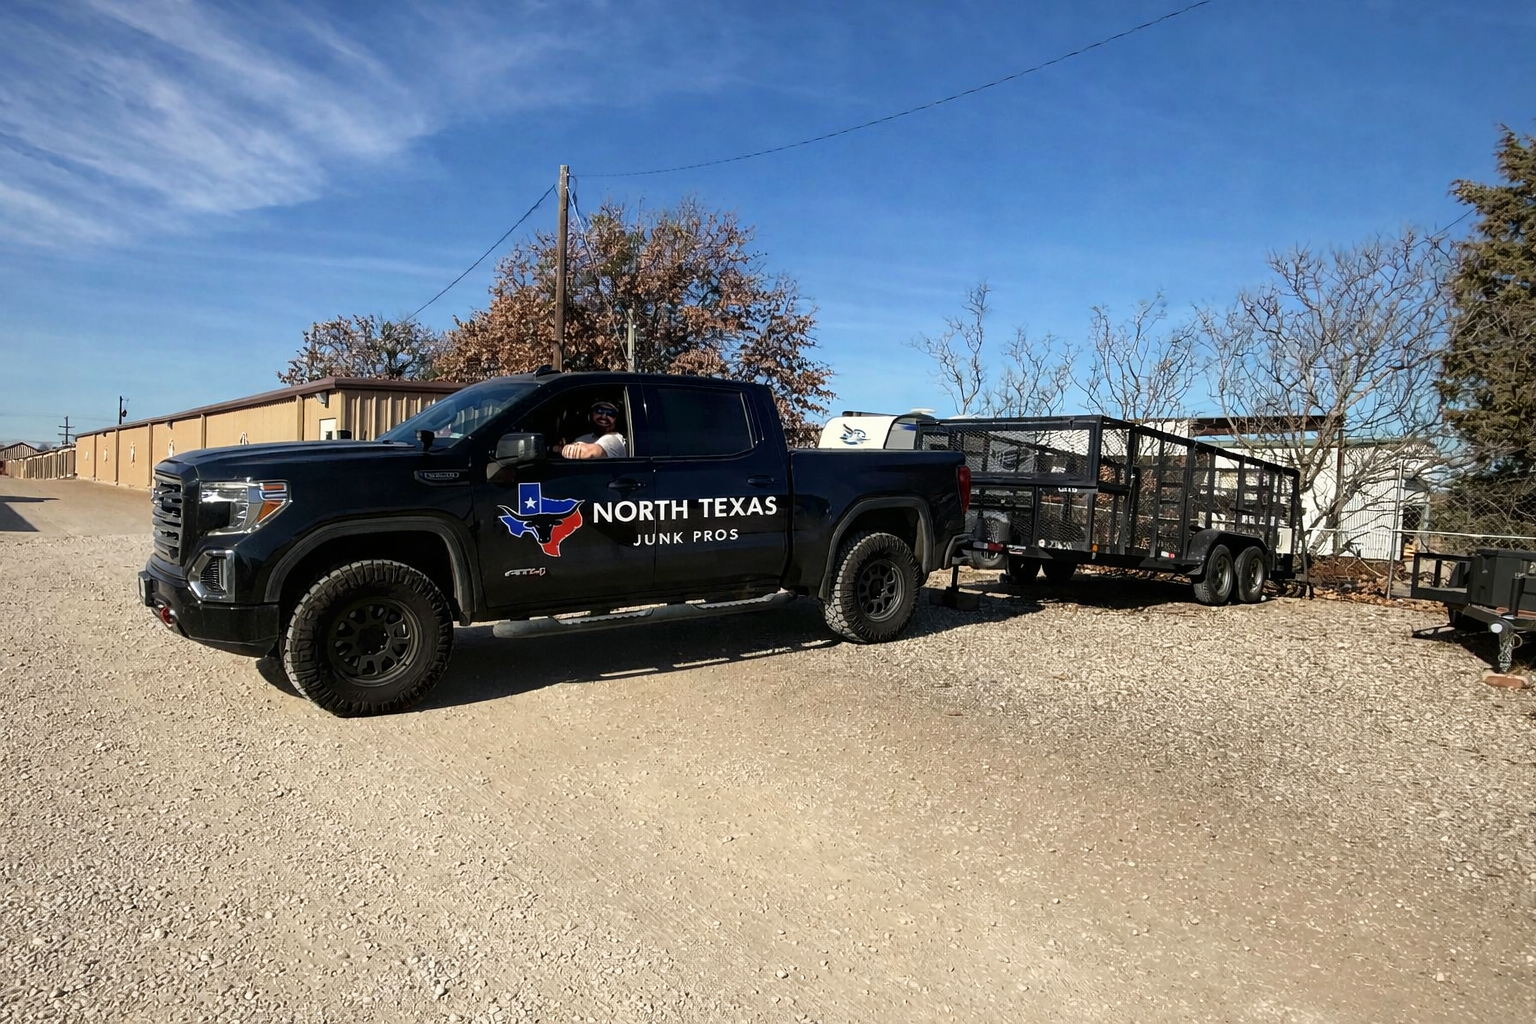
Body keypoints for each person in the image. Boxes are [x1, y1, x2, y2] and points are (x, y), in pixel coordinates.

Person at [560, 400, 627, 459]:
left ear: (616, 419)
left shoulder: (615, 440)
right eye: (599, 411)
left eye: (610, 413)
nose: (604, 416)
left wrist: (555, 449)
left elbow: (588, 453)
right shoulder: (582, 439)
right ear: (590, 415)